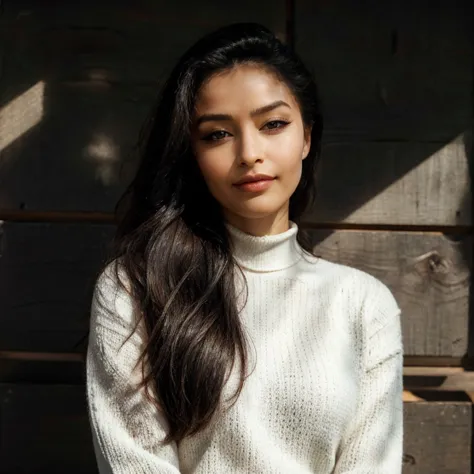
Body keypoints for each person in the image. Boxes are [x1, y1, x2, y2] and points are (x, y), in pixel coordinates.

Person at [86, 22, 404, 474]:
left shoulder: (363, 305)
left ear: (307, 137)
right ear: (191, 153)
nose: (249, 152)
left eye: (273, 124)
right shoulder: (136, 287)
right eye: (217, 134)